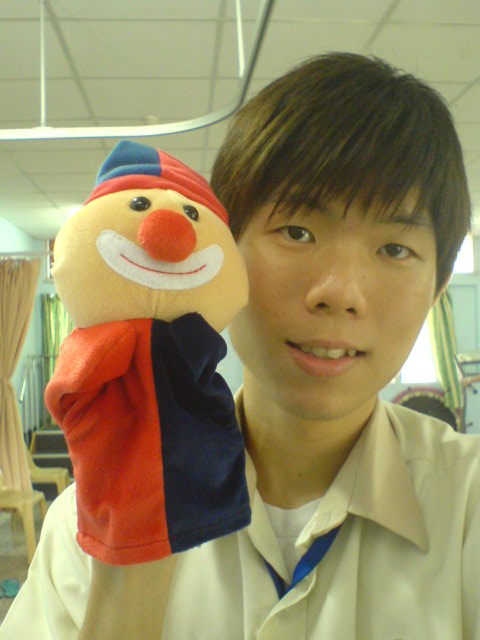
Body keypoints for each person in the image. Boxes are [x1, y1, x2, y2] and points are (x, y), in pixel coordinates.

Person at [1, 52, 479, 639]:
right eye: (297, 231)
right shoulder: (85, 526)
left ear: (436, 288)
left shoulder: (468, 507)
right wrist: (131, 558)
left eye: (395, 249)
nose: (339, 293)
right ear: (224, 253)